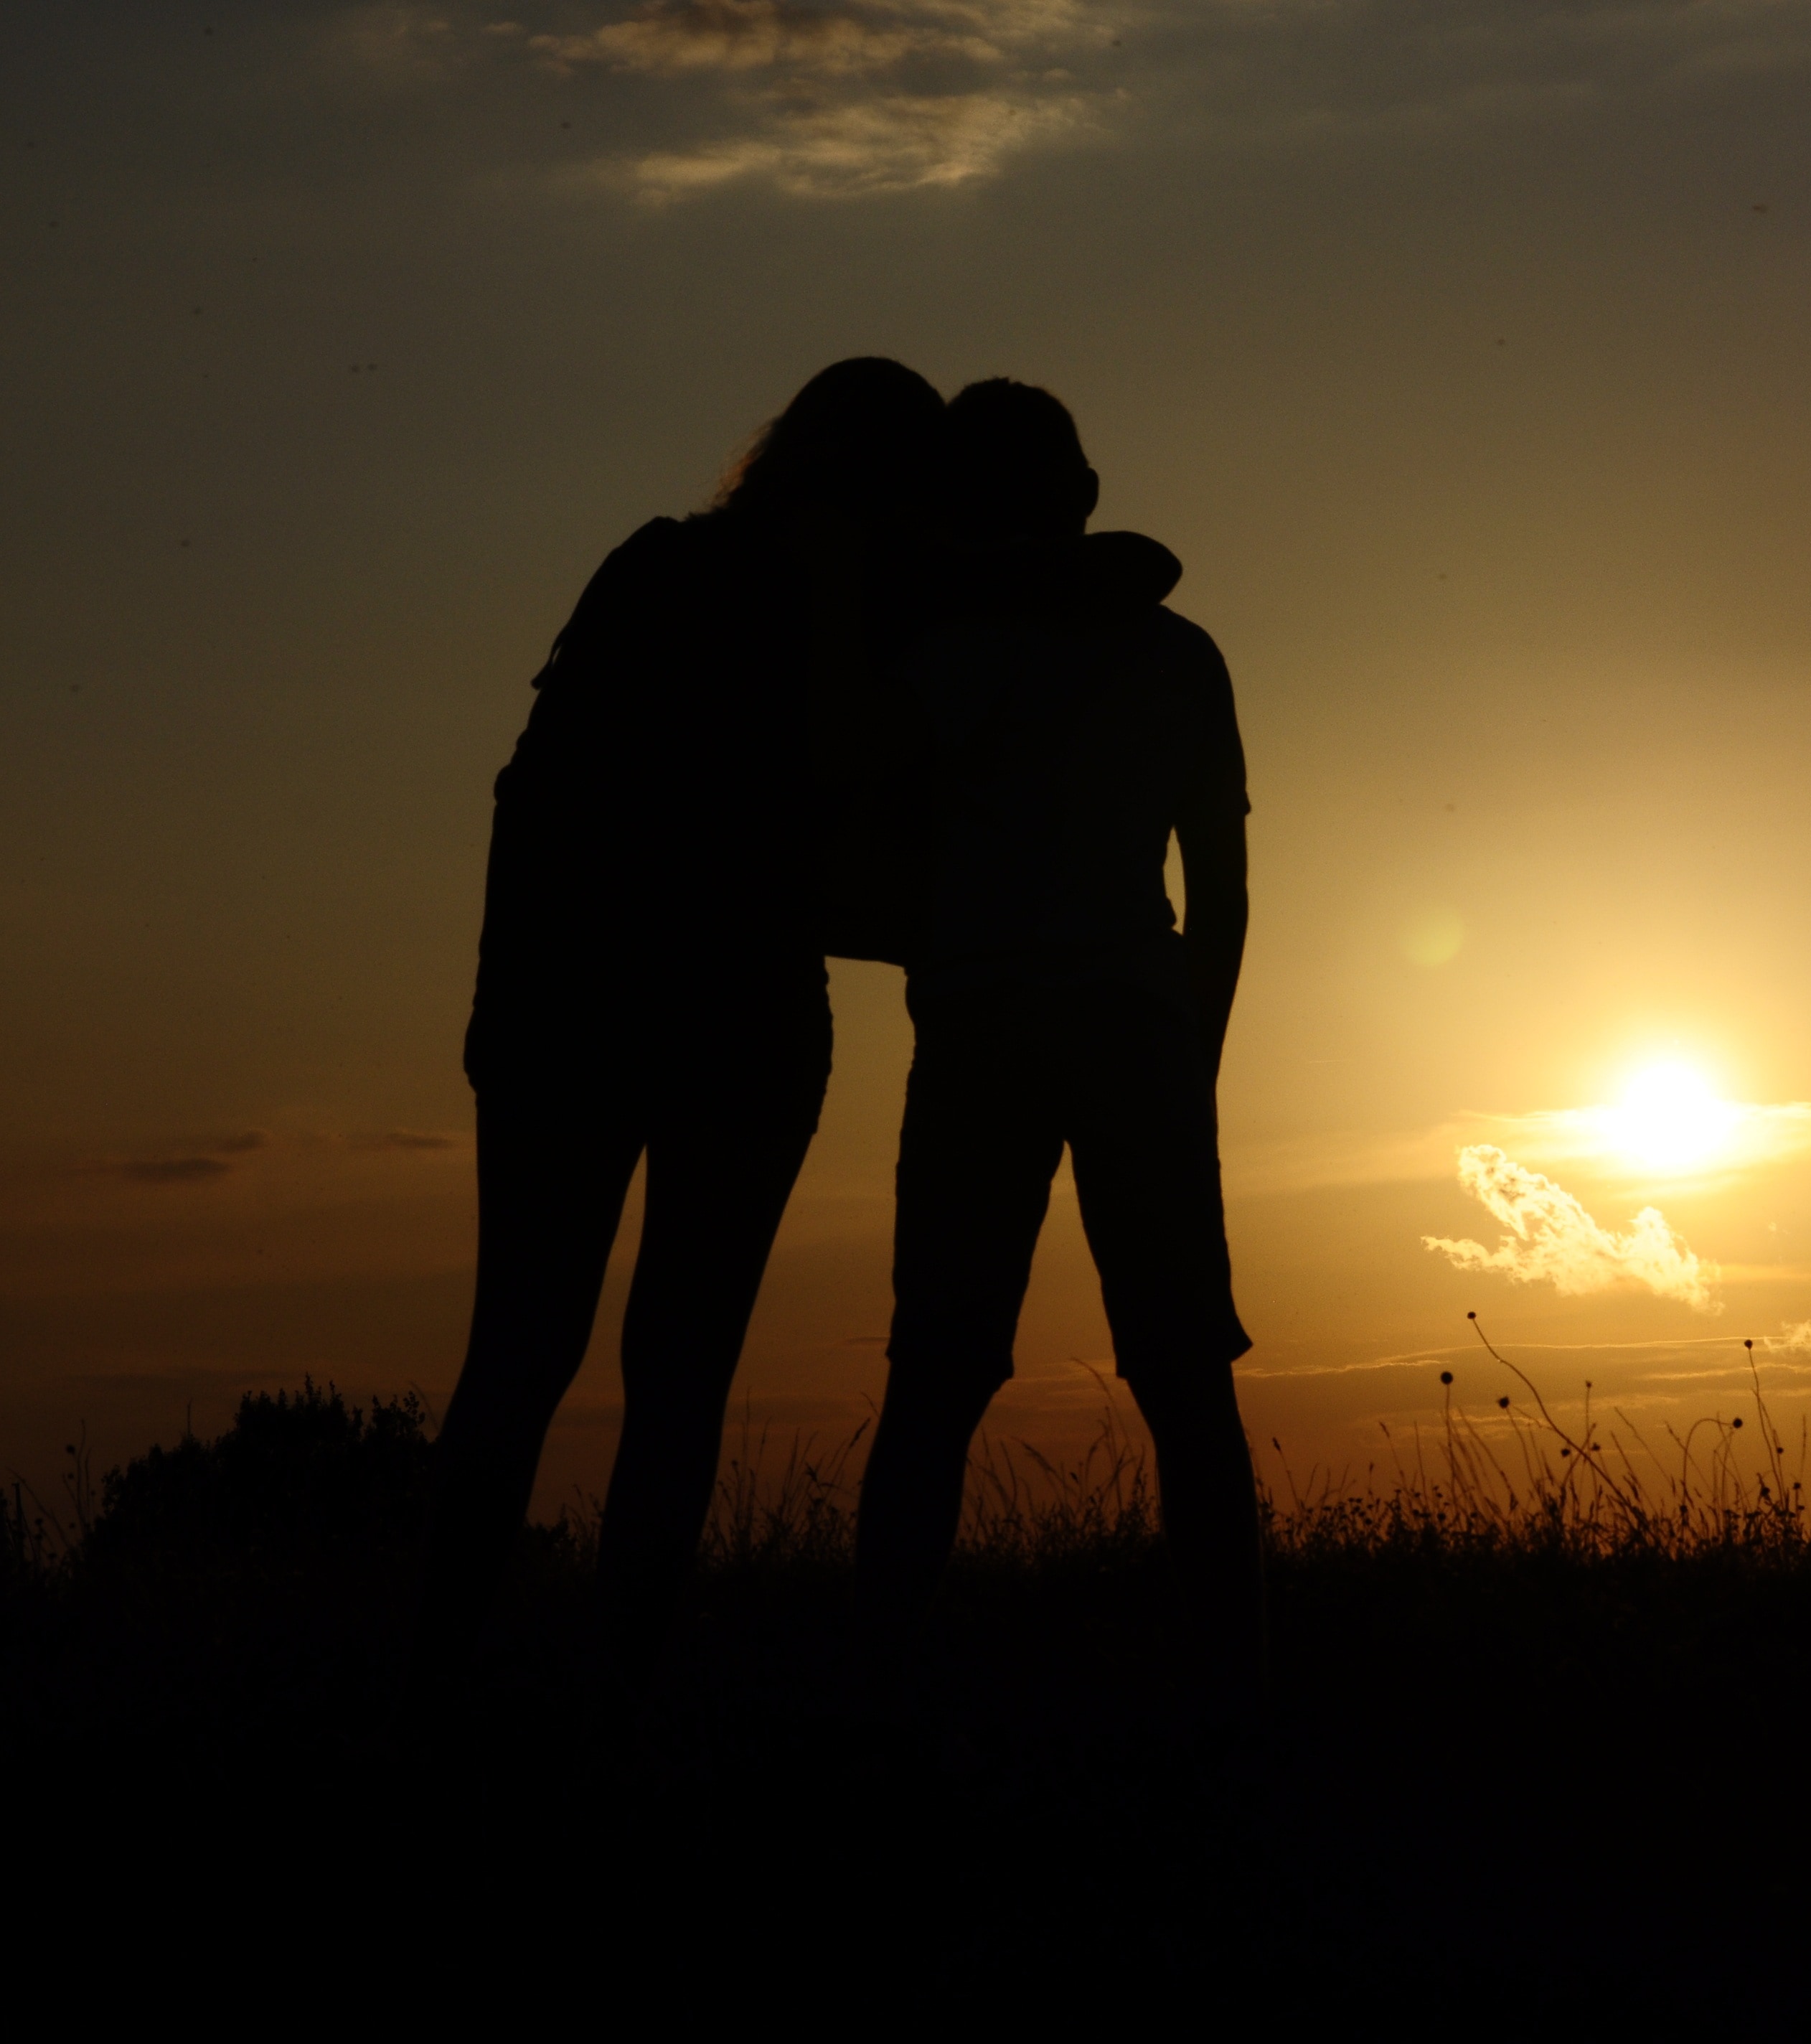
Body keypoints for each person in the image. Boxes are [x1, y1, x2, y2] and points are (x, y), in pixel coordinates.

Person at [416, 358, 949, 1698]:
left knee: (556, 1358)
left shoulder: (680, 573)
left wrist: (503, 999)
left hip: (608, 1013)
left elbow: (528, 794)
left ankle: (464, 1682)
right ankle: (565, 1692)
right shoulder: (832, 613)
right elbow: (549, 791)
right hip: (686, 1019)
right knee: (637, 1369)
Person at [853, 378, 1264, 1704]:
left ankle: (885, 1682)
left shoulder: (932, 656)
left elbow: (863, 842)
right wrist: (1188, 1045)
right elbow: (1224, 890)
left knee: (940, 1366)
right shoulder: (1175, 652)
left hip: (985, 1022)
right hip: (1129, 1020)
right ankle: (1224, 1683)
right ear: (1080, 498)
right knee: (1183, 1364)